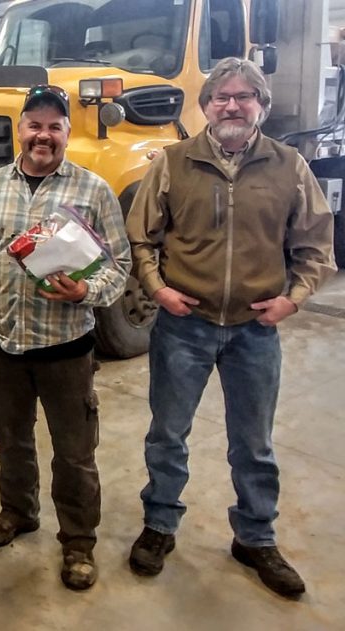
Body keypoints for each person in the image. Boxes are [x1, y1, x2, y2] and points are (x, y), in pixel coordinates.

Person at [125, 57, 336, 598]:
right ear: (206, 106)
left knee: (254, 443)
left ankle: (256, 536)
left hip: (254, 329)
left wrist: (294, 299)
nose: (233, 106)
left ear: (261, 106)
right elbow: (141, 238)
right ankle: (160, 524)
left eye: (245, 97)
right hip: (184, 326)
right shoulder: (173, 162)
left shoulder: (288, 165)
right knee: (168, 435)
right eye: (222, 97)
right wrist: (157, 288)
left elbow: (316, 245)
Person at [0, 85, 131, 590]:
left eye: (55, 126)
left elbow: (119, 268)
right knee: (11, 443)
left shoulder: (94, 190)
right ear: (20, 129)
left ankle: (78, 541)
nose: (43, 135)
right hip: (4, 345)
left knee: (75, 452)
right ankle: (19, 512)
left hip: (67, 349)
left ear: (67, 134)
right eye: (35, 124)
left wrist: (84, 291)